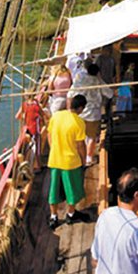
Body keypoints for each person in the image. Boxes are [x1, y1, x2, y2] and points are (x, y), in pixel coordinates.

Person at [46, 93, 89, 229]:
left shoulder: (56, 116)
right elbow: (80, 145)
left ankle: (53, 217)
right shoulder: (79, 122)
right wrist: (83, 160)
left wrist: (53, 147)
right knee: (72, 190)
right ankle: (70, 214)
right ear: (81, 108)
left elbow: (49, 133)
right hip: (71, 162)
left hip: (54, 160)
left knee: (54, 190)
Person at [69, 59, 114, 164]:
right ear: (97, 72)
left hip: (81, 112)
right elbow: (109, 93)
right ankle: (88, 157)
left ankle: (80, 155)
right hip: (93, 114)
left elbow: (71, 94)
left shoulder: (80, 79)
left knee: (81, 135)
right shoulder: (98, 81)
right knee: (92, 136)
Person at [15, 93, 46, 172]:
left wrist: (25, 116)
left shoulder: (24, 105)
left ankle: (31, 165)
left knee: (30, 148)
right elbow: (43, 115)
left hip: (28, 129)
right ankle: (38, 166)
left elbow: (17, 116)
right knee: (37, 148)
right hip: (35, 129)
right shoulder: (36, 106)